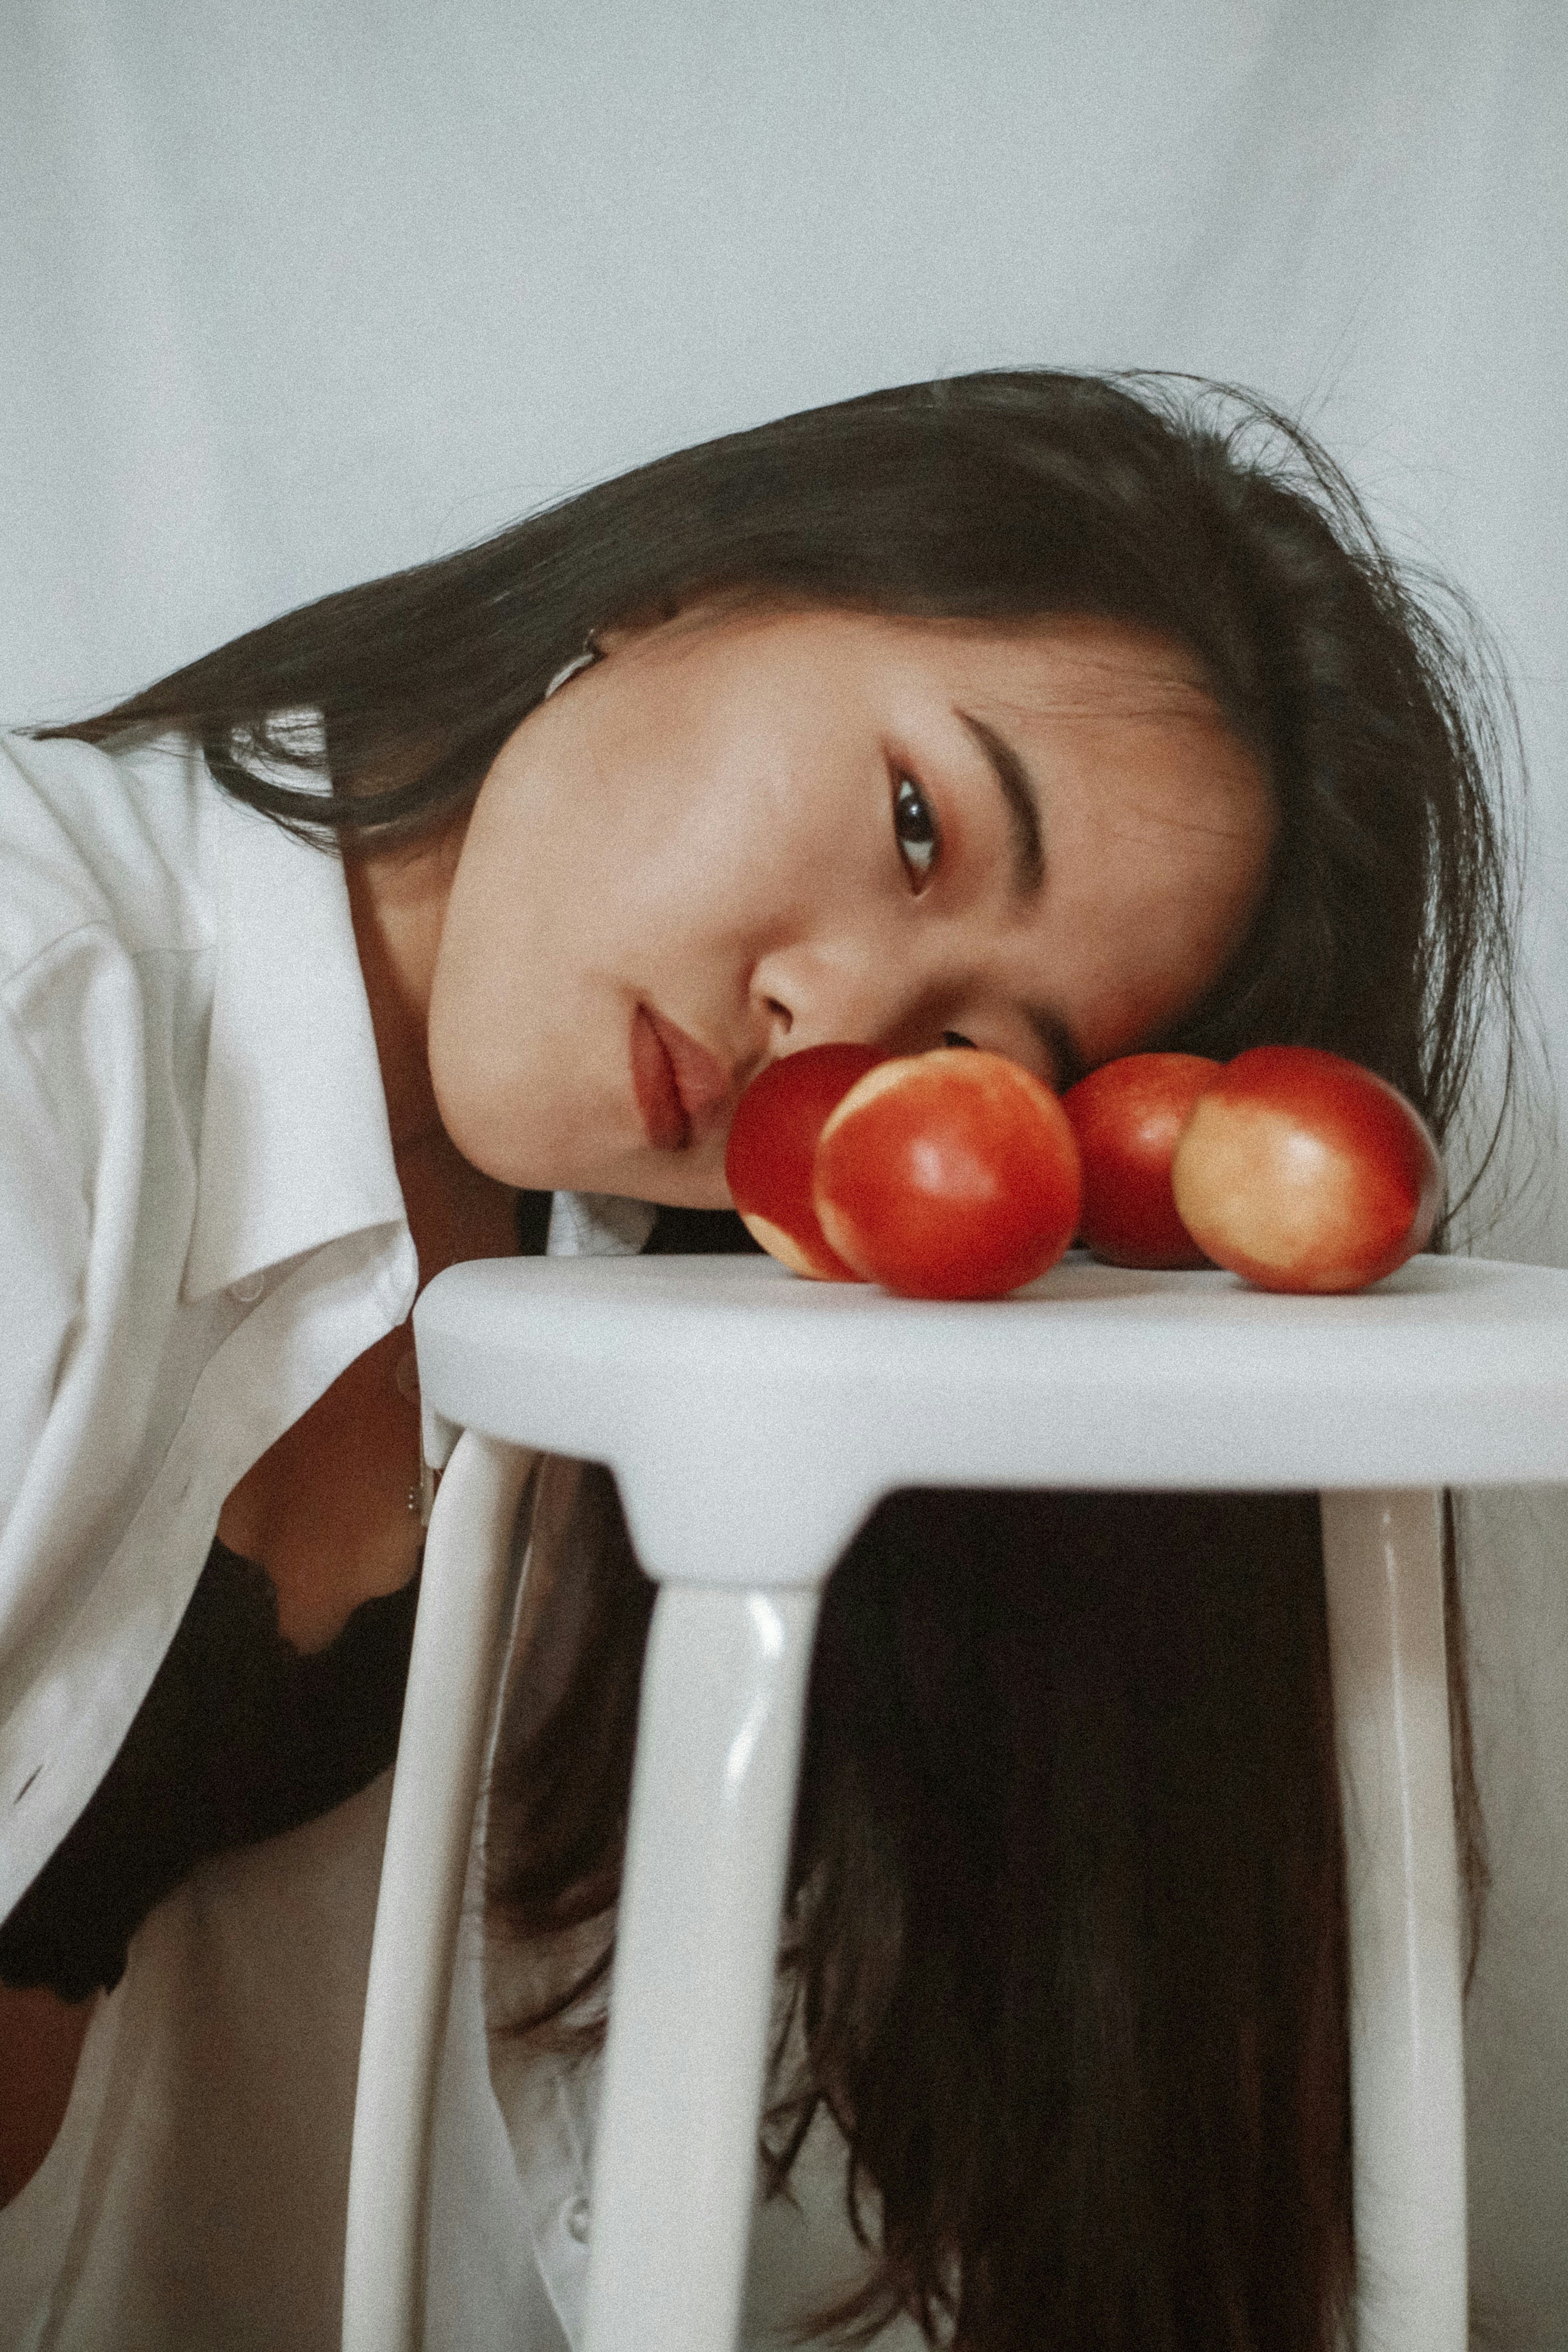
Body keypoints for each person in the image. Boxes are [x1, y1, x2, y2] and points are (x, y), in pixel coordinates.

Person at [0, 369, 1514, 2349]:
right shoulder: (39, 1015)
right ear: (684, 585)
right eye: (917, 823)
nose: (837, 1028)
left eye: (974, 1056)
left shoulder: (644, 1330)